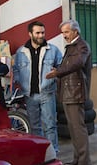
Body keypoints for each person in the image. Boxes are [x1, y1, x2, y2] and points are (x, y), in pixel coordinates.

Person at [46, 19, 93, 165]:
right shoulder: (72, 46)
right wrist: (58, 69)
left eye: (66, 32)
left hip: (75, 92)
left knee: (78, 129)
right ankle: (77, 159)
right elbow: (69, 65)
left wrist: (58, 72)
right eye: (63, 32)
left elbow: (77, 63)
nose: (63, 35)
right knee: (73, 128)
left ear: (75, 31)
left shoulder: (82, 45)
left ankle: (85, 164)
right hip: (68, 92)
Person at [13, 21, 62, 153]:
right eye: (38, 33)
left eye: (43, 32)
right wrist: (18, 83)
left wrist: (55, 75)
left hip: (47, 93)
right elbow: (16, 70)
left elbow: (61, 68)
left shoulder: (53, 50)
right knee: (35, 127)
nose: (41, 35)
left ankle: (53, 153)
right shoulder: (21, 52)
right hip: (30, 95)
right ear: (30, 34)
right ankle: (40, 153)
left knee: (50, 126)